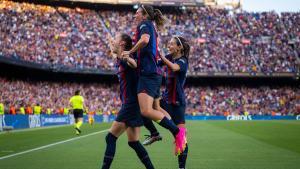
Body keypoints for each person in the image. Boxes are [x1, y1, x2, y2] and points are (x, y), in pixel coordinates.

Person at [122, 5, 187, 155]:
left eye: (137, 13)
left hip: (149, 74)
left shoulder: (144, 24)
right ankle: (162, 133)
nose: (134, 15)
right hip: (153, 73)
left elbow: (144, 40)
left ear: (144, 14)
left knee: (145, 110)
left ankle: (177, 132)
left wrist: (130, 52)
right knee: (155, 109)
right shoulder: (151, 25)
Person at [101, 33, 154, 169]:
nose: (114, 42)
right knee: (134, 142)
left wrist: (129, 59)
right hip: (133, 105)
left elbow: (134, 64)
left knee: (110, 138)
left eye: (116, 40)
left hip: (131, 104)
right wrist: (110, 41)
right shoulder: (119, 58)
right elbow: (115, 52)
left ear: (122, 43)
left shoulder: (126, 59)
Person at [160, 36, 190, 168]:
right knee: (145, 108)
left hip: (177, 104)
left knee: (182, 140)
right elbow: (156, 63)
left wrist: (162, 57)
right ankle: (154, 134)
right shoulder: (169, 56)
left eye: (171, 44)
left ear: (179, 47)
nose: (169, 46)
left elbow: (173, 67)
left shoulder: (183, 61)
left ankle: (181, 167)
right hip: (165, 101)